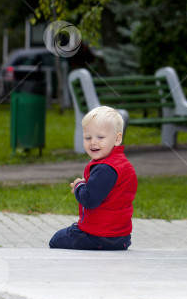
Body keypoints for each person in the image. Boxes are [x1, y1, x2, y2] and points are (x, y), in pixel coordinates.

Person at [49, 106, 137, 250]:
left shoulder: (106, 168)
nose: (93, 142)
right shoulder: (122, 164)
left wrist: (79, 186)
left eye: (100, 137)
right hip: (121, 237)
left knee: (56, 239)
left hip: (99, 235)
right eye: (88, 137)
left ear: (117, 139)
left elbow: (90, 200)